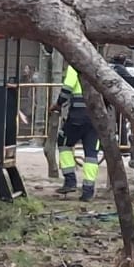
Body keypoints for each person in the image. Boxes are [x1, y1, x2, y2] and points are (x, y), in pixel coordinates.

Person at [53, 64, 104, 200]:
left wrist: (58, 104)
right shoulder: (98, 66)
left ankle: (70, 181)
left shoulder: (75, 65)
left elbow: (67, 89)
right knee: (91, 154)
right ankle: (88, 191)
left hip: (77, 117)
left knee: (63, 143)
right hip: (96, 118)